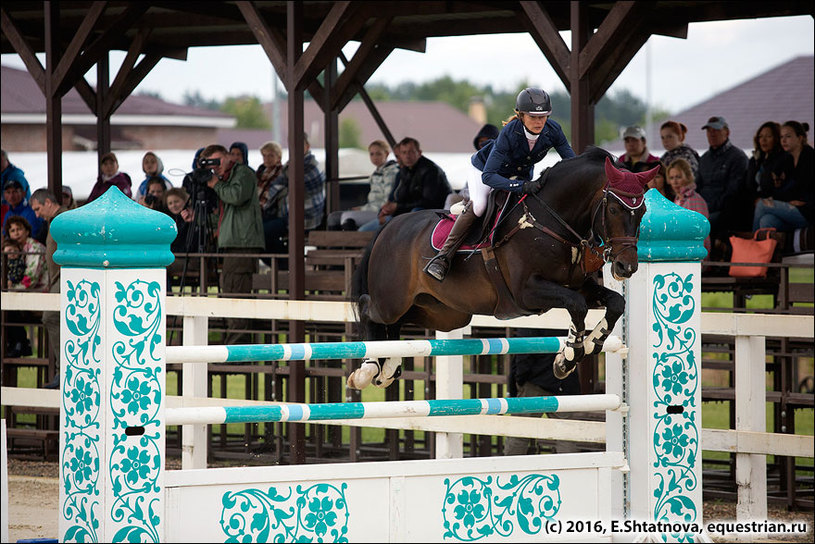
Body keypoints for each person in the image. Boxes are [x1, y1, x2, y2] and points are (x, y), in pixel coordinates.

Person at [425, 87, 574, 281]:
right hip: (484, 171)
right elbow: (489, 176)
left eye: (543, 116)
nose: (539, 122)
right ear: (520, 115)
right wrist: (521, 187)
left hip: (518, 173)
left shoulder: (553, 130)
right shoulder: (509, 133)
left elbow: (570, 163)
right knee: (479, 206)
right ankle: (443, 257)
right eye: (533, 117)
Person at [201, 144, 264, 344]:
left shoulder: (243, 173)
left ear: (228, 156)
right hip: (232, 244)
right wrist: (196, 217)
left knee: (236, 296)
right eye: (211, 164)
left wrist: (216, 185)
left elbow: (237, 197)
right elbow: (224, 216)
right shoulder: (226, 181)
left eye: (217, 160)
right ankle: (233, 345)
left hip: (242, 245)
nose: (215, 167)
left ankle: (238, 350)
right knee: (229, 294)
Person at [504, 328, 591, 455]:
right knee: (566, 436)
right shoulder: (566, 316)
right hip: (565, 383)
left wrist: (520, 380)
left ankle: (508, 469)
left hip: (535, 383)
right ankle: (568, 471)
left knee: (519, 432)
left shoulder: (532, 319)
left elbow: (524, 354)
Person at [359, 136, 450, 232]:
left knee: (414, 213)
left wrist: (397, 207)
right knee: (363, 230)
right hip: (406, 213)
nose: (407, 156)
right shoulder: (404, 171)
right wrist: (386, 210)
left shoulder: (430, 170)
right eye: (404, 152)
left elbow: (429, 202)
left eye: (411, 152)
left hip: (432, 214)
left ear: (419, 153)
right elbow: (400, 198)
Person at [30, 188, 67, 388]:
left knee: (51, 317)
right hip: (58, 278)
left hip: (64, 277)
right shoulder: (57, 221)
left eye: (38, 209)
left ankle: (64, 371)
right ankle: (65, 371)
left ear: (48, 203)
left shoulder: (63, 219)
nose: (37, 214)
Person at [752, 121, 813, 232]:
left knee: (762, 204)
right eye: (781, 137)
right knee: (767, 221)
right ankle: (767, 248)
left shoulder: (809, 157)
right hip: (793, 207)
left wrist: (806, 202)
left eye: (788, 136)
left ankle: (752, 245)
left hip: (808, 211)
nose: (783, 141)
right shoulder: (787, 160)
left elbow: (799, 188)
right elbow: (782, 189)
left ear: (800, 138)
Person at [326, 140, 399, 231]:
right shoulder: (377, 172)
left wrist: (363, 209)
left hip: (381, 212)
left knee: (347, 217)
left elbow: (387, 201)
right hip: (372, 209)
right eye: (371, 154)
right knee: (333, 217)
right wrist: (362, 208)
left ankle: (350, 244)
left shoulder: (390, 172)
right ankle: (335, 244)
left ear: (387, 154)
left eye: (378, 154)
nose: (375, 157)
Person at [696, 116, 749, 240]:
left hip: (724, 212)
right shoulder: (704, 159)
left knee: (697, 227)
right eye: (709, 131)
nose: (711, 134)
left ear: (727, 132)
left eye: (716, 130)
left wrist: (707, 208)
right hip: (703, 209)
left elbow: (732, 192)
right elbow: (696, 187)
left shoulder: (738, 157)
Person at [3, 215, 47, 358]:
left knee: (8, 309)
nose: (16, 233)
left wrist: (7, 289)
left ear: (27, 231)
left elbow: (30, 279)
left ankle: (20, 345)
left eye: (19, 229)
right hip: (23, 294)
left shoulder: (34, 248)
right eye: (12, 230)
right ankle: (18, 344)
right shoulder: (13, 251)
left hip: (40, 295)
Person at [667, 158, 710, 254]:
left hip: (692, 254)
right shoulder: (677, 199)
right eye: (671, 178)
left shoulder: (695, 200)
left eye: (678, 177)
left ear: (687, 177)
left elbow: (701, 233)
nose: (675, 182)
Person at [255, 141, 287, 254]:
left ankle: (285, 263)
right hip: (258, 212)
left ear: (278, 157)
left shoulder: (282, 173)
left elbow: (272, 195)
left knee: (259, 235)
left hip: (273, 213)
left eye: (271, 155)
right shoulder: (260, 173)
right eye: (264, 155)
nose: (267, 158)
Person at [746, 121, 785, 202]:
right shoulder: (754, 160)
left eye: (768, 136)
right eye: (760, 136)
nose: (763, 140)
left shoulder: (782, 159)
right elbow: (748, 186)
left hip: (772, 202)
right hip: (754, 201)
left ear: (777, 138)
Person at [2, 178, 45, 242]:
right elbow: (5, 236)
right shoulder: (8, 214)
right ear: (4, 195)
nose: (11, 196)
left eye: (15, 192)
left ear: (23, 193)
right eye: (8, 192)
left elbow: (34, 236)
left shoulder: (32, 211)